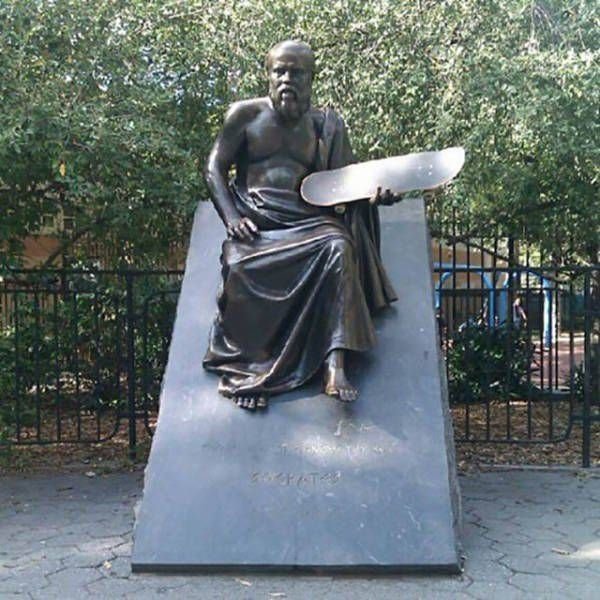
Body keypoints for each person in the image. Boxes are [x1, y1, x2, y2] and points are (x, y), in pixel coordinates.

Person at [202, 40, 397, 410]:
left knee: (338, 247)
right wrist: (232, 217)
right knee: (240, 266)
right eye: (280, 71)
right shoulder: (244, 115)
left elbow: (345, 185)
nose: (287, 79)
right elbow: (214, 168)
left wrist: (374, 196)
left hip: (310, 223)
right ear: (268, 75)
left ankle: (334, 366)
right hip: (258, 226)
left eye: (296, 72)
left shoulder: (326, 126)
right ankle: (251, 372)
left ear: (311, 78)